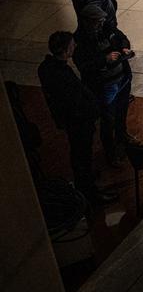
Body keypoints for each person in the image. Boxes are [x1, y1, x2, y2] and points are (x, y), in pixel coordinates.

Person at [70, 0, 133, 163]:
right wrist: (105, 59)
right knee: (108, 118)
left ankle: (122, 137)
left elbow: (121, 37)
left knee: (121, 111)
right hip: (105, 84)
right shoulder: (81, 42)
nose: (100, 24)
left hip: (121, 76)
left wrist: (123, 48)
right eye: (96, 21)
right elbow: (85, 66)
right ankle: (111, 152)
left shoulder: (106, 26)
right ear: (88, 21)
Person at [38, 31, 114, 204]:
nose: (75, 46)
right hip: (79, 122)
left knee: (78, 153)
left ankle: (84, 181)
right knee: (82, 154)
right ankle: (90, 192)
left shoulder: (45, 68)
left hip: (71, 121)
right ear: (65, 50)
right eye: (72, 45)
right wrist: (92, 112)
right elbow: (75, 101)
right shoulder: (61, 75)